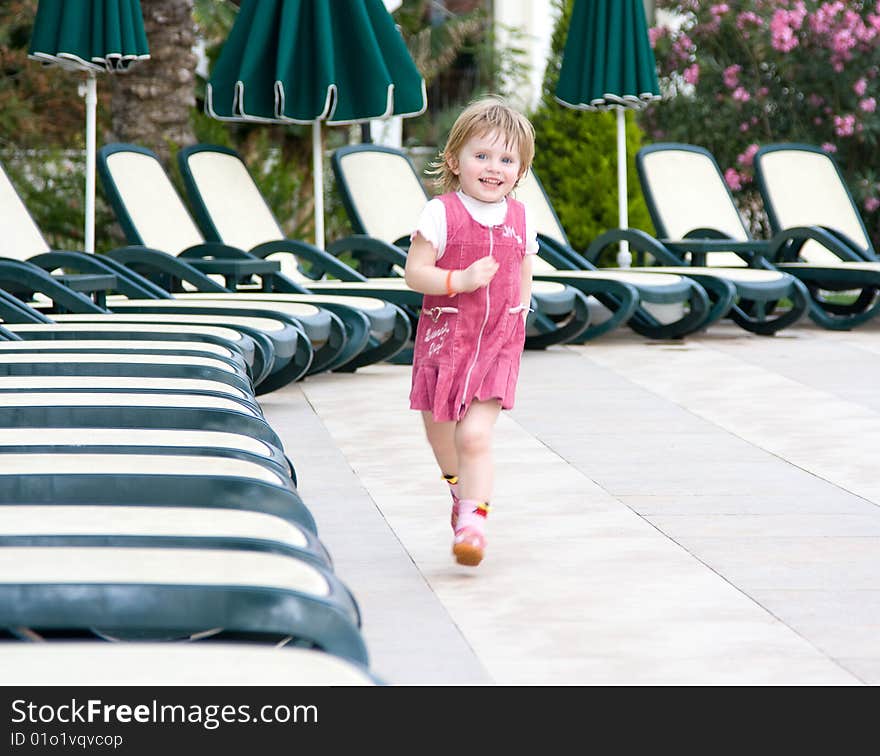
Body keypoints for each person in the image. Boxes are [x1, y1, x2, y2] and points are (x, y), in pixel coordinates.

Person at [404, 97, 537, 567]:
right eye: (481, 156)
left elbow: (523, 265)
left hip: (498, 342)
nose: (493, 167)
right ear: (455, 160)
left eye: (506, 159)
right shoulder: (440, 213)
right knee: (442, 435)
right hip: (446, 344)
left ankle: (474, 524)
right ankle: (461, 493)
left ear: (519, 170)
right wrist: (455, 281)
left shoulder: (520, 217)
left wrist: (520, 310)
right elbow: (414, 273)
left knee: (474, 437)